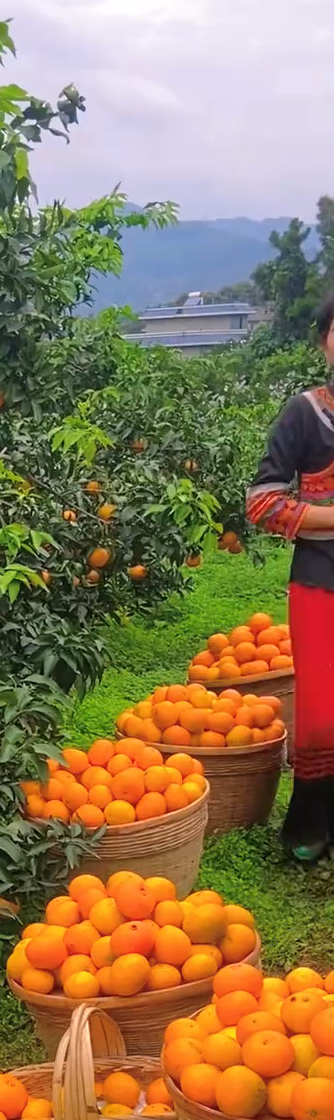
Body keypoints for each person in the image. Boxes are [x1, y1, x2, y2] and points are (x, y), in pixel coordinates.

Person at [246, 294, 334, 861]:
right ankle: (311, 826)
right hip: (321, 576)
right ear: (325, 341)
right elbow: (262, 502)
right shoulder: (306, 413)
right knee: (324, 710)